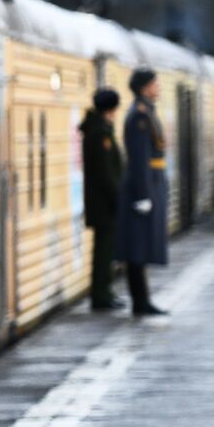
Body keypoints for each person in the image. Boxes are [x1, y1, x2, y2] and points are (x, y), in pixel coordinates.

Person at [114, 68, 170, 316]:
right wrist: (143, 195)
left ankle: (143, 300)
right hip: (143, 186)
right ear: (145, 87)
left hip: (150, 183)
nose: (158, 87)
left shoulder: (146, 112)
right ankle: (140, 301)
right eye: (155, 84)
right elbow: (139, 158)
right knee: (136, 248)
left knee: (141, 246)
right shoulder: (139, 116)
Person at [80, 88, 124, 310]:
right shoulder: (100, 133)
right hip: (104, 202)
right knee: (104, 251)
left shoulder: (97, 129)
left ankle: (104, 292)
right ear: (110, 109)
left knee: (104, 249)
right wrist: (118, 198)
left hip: (101, 201)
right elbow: (107, 172)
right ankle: (101, 295)